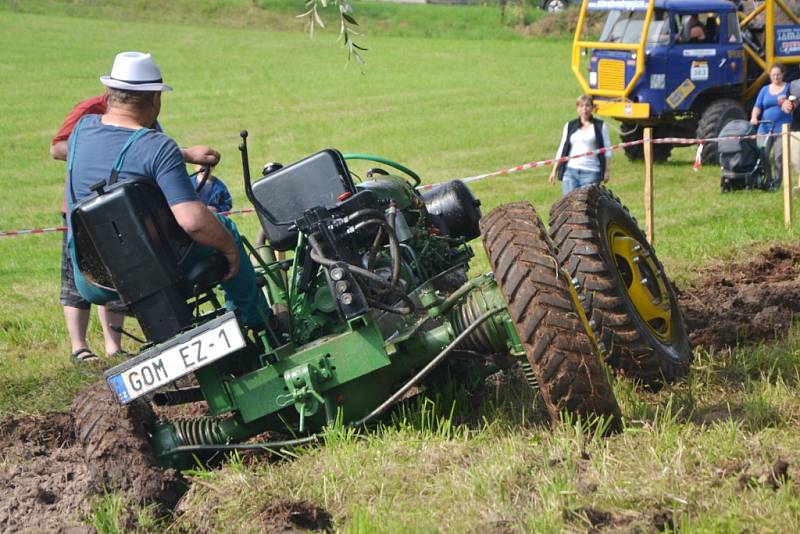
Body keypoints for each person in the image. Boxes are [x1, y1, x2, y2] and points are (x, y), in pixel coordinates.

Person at [65, 51, 269, 339]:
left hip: (95, 278)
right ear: (155, 99)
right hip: (159, 267)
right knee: (223, 228)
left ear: (108, 93)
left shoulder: (80, 133)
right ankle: (256, 322)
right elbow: (193, 222)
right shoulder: (158, 147)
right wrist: (230, 250)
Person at [52, 93, 228, 362]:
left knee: (119, 269)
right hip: (96, 220)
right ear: (154, 98)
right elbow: (57, 148)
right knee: (220, 229)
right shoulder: (88, 121)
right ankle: (79, 346)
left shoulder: (92, 128)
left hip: (119, 218)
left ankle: (113, 347)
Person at [549, 95, 612, 196]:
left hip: (591, 173)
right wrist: (554, 171)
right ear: (577, 108)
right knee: (568, 206)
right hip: (570, 172)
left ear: (592, 108)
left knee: (585, 208)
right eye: (581, 106)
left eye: (587, 106)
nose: (584, 109)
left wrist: (606, 171)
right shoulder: (570, 126)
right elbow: (562, 148)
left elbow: (607, 150)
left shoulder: (600, 126)